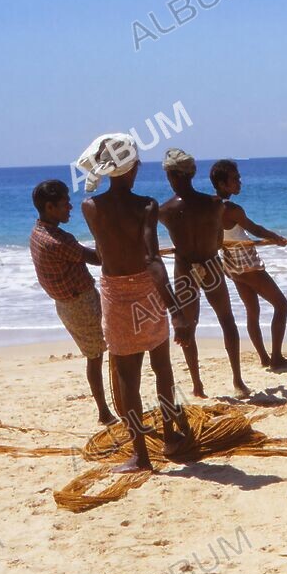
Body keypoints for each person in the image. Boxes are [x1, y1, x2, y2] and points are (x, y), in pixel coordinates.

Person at [77, 134, 193, 473]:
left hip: (114, 295)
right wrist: (177, 311)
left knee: (128, 377)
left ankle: (141, 455)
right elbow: (153, 260)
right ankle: (170, 437)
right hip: (147, 292)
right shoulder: (147, 206)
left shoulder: (90, 208)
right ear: (134, 167)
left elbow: (103, 252)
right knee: (162, 369)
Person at [159, 149, 249, 398]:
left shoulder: (165, 210)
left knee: (188, 325)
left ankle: (197, 384)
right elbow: (219, 239)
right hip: (210, 264)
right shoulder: (215, 205)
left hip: (185, 268)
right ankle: (238, 380)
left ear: (173, 175)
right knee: (226, 320)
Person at [29, 180, 116, 426]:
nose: (70, 207)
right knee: (101, 354)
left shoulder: (38, 232)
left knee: (95, 354)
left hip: (66, 304)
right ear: (49, 207)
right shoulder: (58, 241)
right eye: (64, 203)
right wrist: (103, 229)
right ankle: (105, 411)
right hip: (81, 304)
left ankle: (107, 408)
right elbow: (97, 259)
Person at [209, 159, 287, 371]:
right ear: (222, 184)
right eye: (235, 179)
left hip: (230, 263)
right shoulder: (231, 208)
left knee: (252, 311)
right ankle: (275, 358)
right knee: (282, 305)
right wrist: (276, 238)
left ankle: (265, 358)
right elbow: (255, 229)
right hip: (246, 263)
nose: (239, 182)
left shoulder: (209, 206)